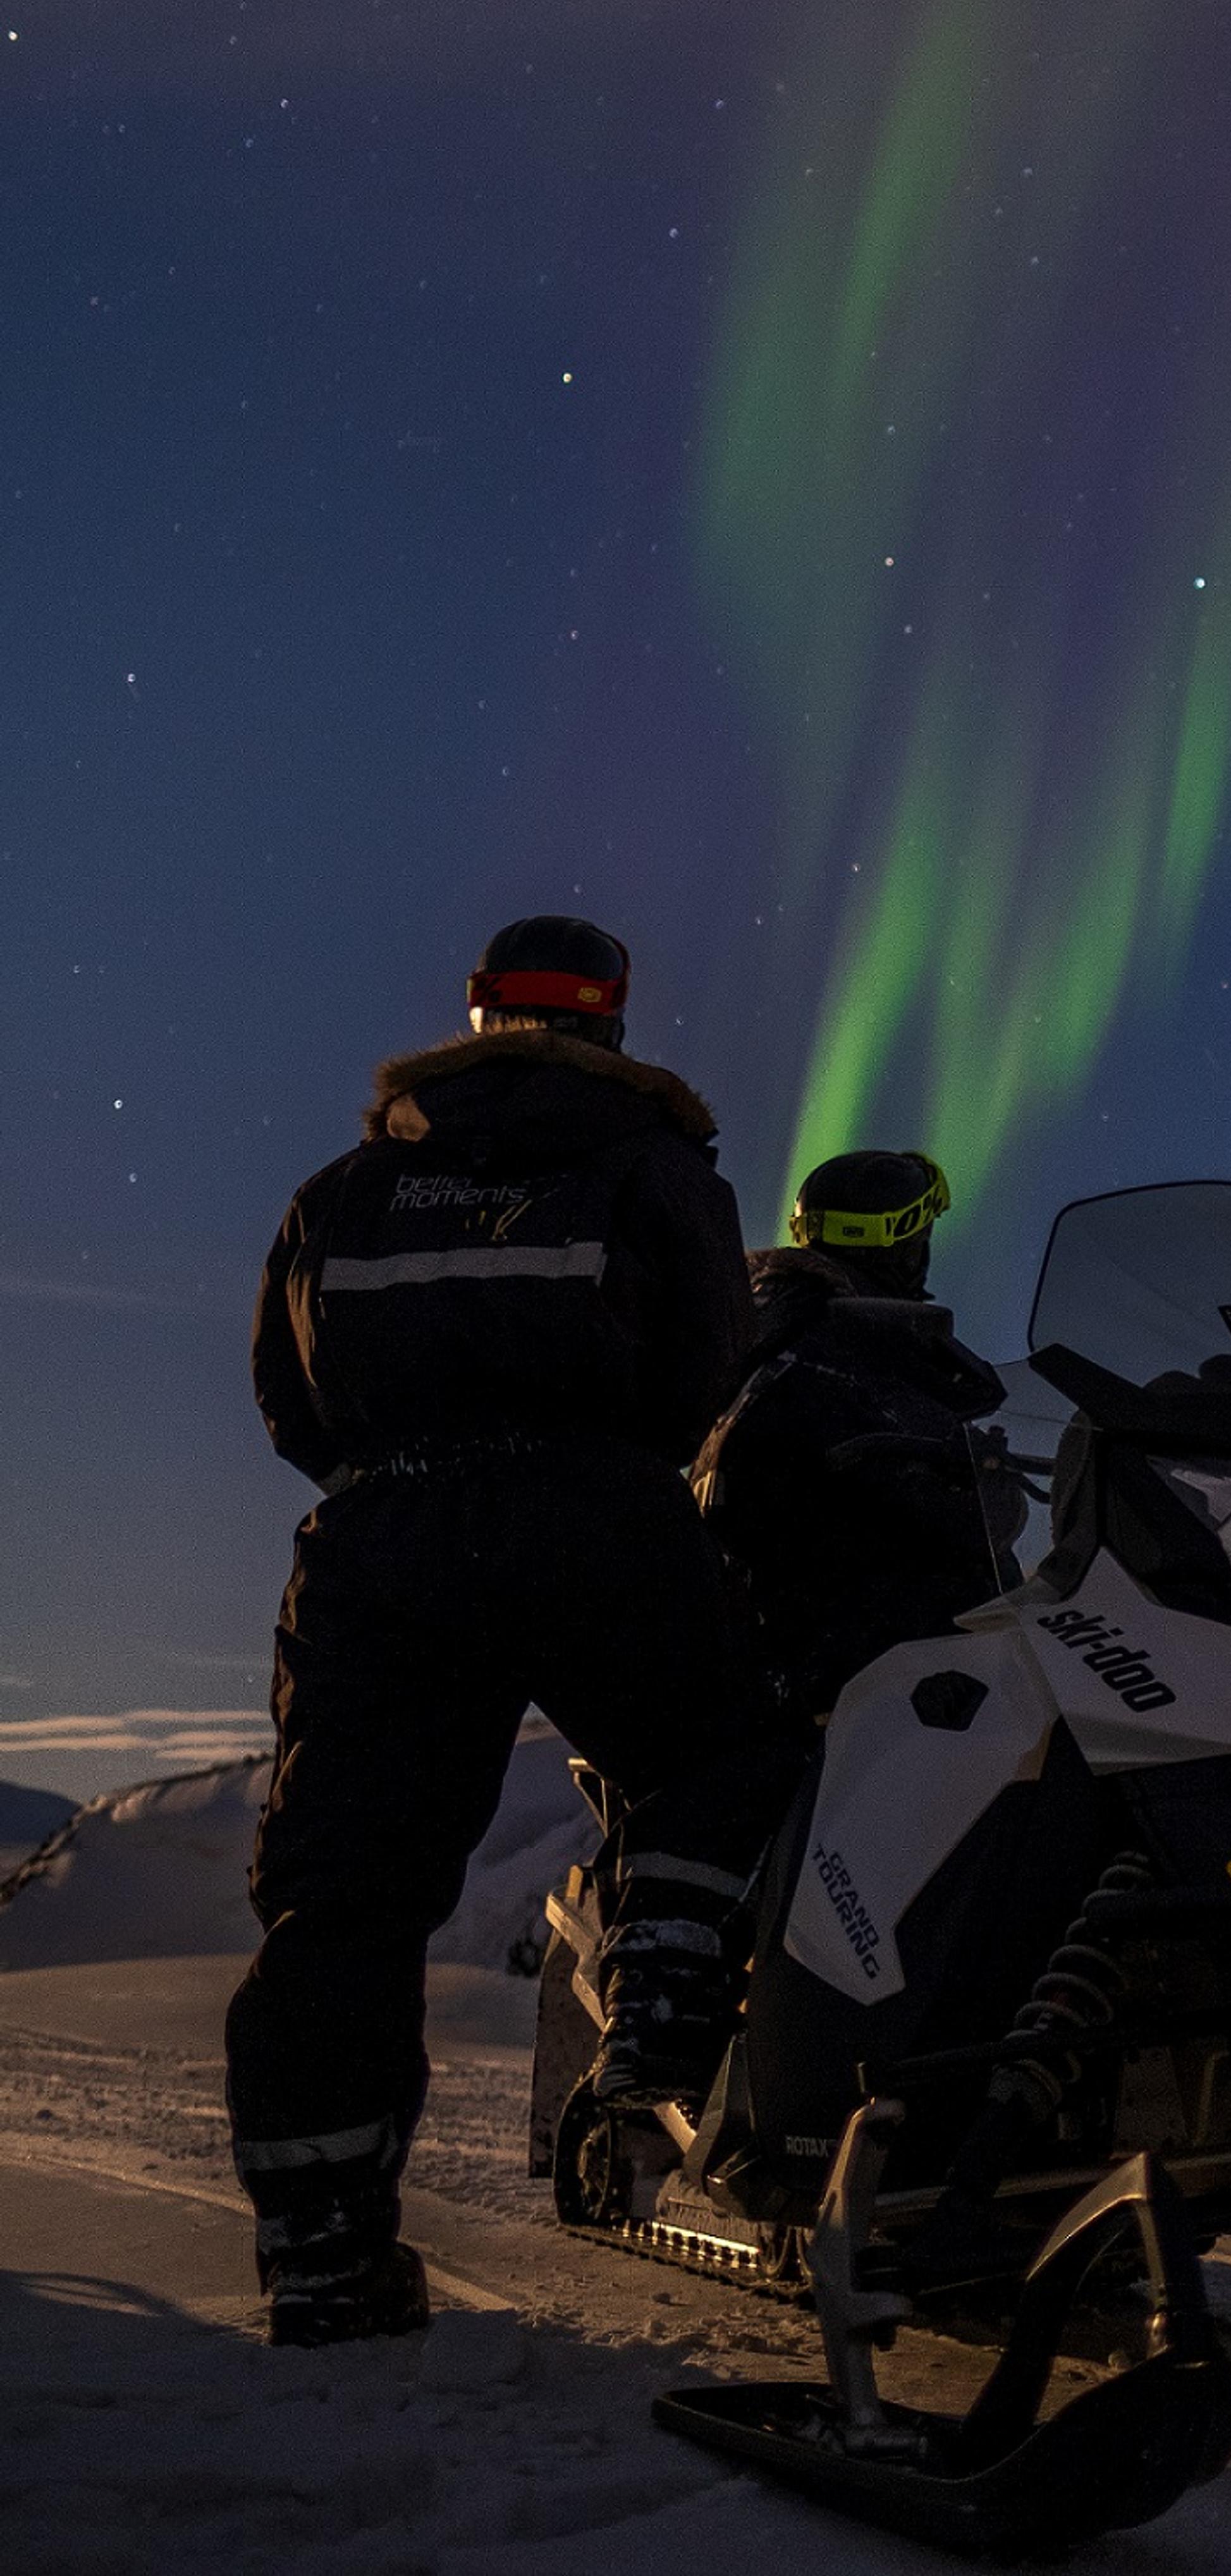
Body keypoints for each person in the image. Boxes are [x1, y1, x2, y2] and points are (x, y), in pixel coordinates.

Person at [226, 915, 789, 2347]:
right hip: (595, 1507)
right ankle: (661, 1987)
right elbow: (707, 1365)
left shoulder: (347, 1186)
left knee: (341, 1890)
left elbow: (288, 1399)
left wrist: (397, 1485)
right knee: (716, 1741)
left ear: (475, 1016)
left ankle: (321, 2246)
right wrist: (601, 1471)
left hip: (381, 1537)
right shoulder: (657, 1168)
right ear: (607, 1021)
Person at [691, 1148, 1014, 1729]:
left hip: (800, 1676)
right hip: (871, 1694)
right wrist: (988, 1484)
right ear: (900, 1248)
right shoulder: (843, 1352)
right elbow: (962, 1522)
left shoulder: (765, 1343)